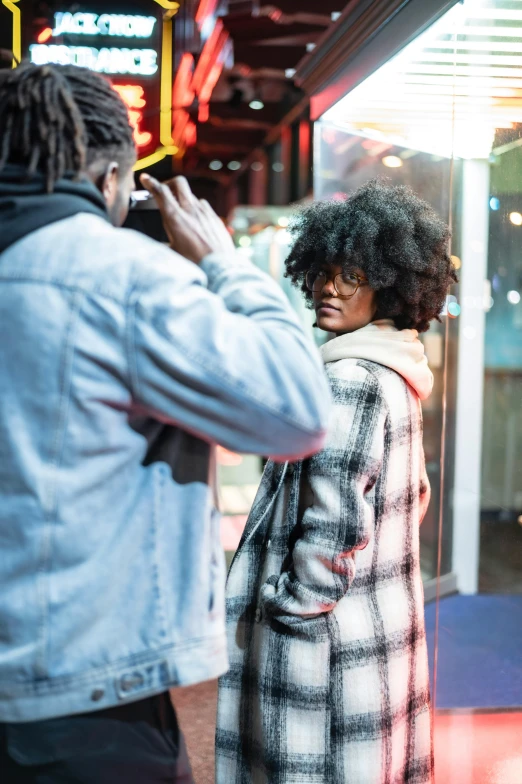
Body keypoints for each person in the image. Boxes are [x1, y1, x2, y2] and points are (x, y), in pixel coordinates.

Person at [0, 62, 331, 782]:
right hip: (86, 703)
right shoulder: (122, 276)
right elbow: (298, 411)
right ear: (112, 178)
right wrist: (224, 262)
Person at [216, 179, 458, 783]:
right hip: (376, 631)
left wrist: (292, 609)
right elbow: (411, 500)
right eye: (324, 271)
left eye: (353, 275)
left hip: (324, 648)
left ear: (390, 283)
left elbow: (334, 525)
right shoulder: (398, 373)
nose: (330, 287)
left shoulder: (347, 377)